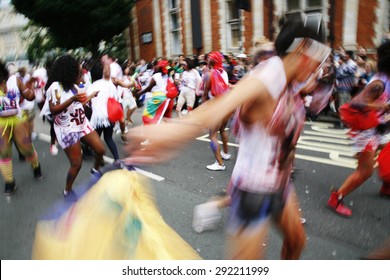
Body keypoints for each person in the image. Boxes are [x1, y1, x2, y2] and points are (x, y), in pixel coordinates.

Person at [124, 11, 331, 259]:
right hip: (254, 191)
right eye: (318, 58)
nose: (318, 67)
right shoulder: (270, 74)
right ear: (303, 51)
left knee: (296, 242)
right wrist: (173, 132)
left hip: (281, 186)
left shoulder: (291, 79)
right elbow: (222, 104)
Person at [327, 41, 390, 217]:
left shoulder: (386, 78)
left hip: (377, 127)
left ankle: (387, 185)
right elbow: (356, 102)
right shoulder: (379, 83)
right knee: (365, 171)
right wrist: (382, 106)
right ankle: (336, 197)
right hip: (365, 130)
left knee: (387, 150)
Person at [45, 55, 105, 196]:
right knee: (77, 164)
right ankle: (68, 190)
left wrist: (90, 97)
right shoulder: (55, 87)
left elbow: (77, 104)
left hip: (81, 123)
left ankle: (95, 170)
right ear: (68, 72)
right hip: (67, 129)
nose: (81, 75)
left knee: (100, 149)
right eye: (78, 73)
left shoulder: (74, 86)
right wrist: (72, 99)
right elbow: (54, 110)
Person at [0, 61, 43, 196]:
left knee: (27, 149)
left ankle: (36, 166)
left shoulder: (14, 80)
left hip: (18, 120)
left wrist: (31, 92)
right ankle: (9, 182)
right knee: (4, 153)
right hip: (1, 124)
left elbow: (29, 95)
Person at [201, 51, 231, 171]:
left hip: (216, 107)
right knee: (222, 129)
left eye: (208, 60)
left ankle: (219, 164)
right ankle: (226, 153)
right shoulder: (224, 72)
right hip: (227, 105)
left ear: (211, 61)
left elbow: (204, 94)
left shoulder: (209, 74)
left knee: (212, 135)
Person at [87, 62, 121, 165]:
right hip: (109, 116)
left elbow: (88, 103)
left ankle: (99, 159)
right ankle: (117, 159)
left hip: (97, 117)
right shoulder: (110, 84)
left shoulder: (91, 87)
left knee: (95, 141)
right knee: (108, 138)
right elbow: (116, 99)